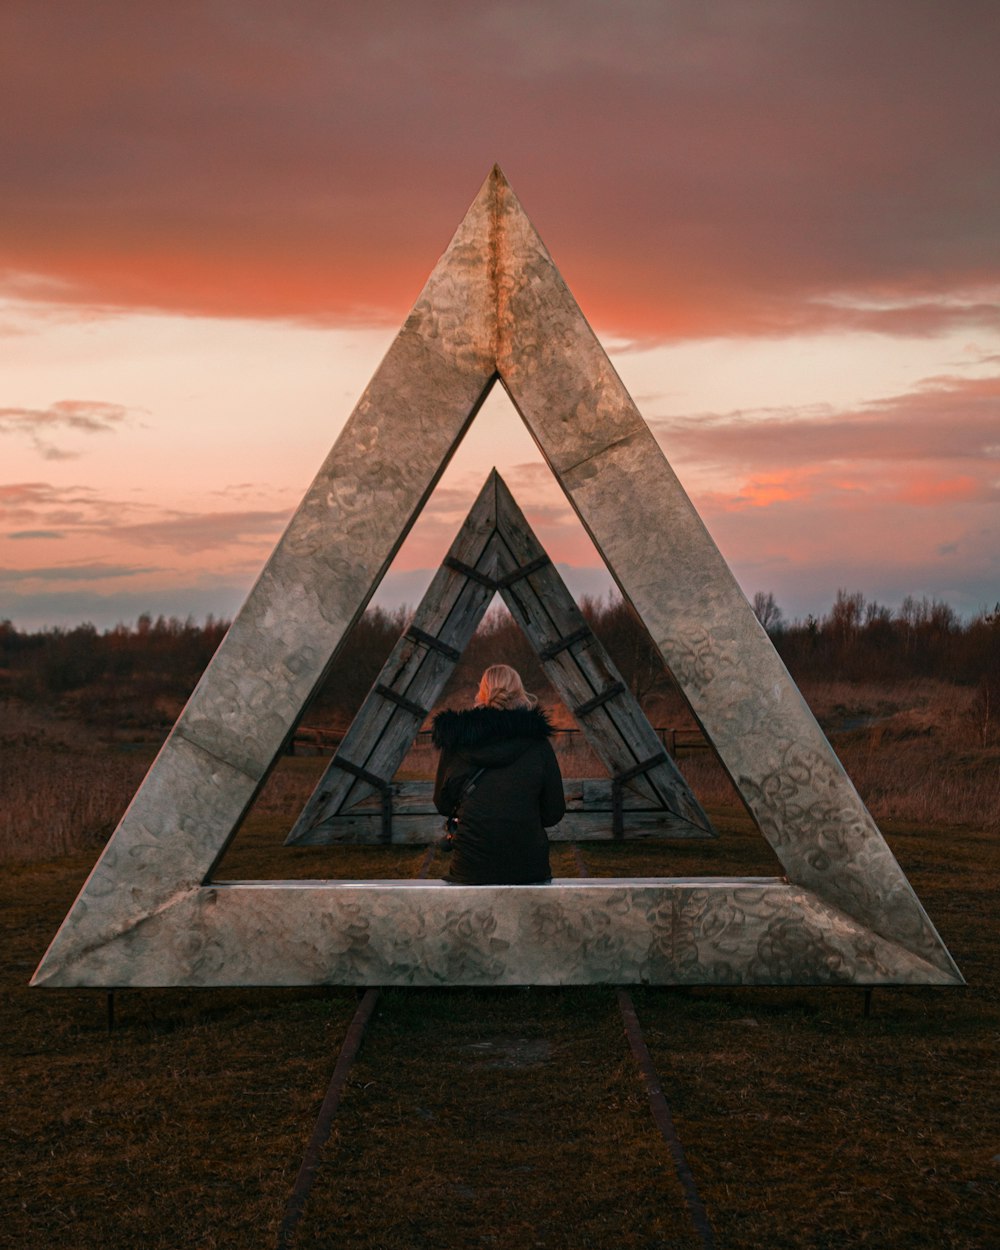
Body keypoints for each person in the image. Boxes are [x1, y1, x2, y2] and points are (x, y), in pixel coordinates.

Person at [432, 664, 565, 884]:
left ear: (482, 692)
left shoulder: (455, 742)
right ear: (519, 691)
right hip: (529, 868)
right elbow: (554, 812)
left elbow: (443, 804)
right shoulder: (538, 744)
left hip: (471, 868)